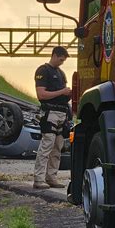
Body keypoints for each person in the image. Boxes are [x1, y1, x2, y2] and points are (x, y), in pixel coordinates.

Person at [33, 46, 72, 189]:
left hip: (62, 113)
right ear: (55, 55)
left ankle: (51, 177)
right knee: (47, 145)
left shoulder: (61, 73)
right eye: (61, 59)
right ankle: (39, 179)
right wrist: (62, 91)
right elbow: (41, 95)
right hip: (50, 113)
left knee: (57, 147)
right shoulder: (43, 70)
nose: (62, 62)